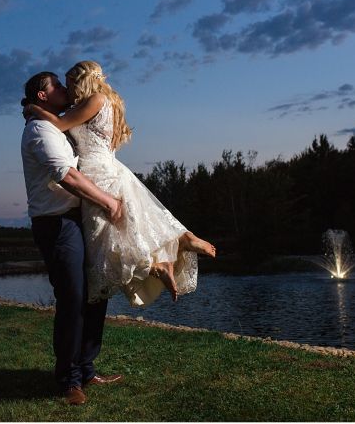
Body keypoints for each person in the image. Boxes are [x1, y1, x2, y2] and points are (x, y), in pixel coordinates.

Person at [23, 60, 217, 307]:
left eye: (68, 84)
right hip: (110, 170)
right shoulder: (104, 101)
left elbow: (59, 124)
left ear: (80, 82)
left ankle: (158, 263)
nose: (67, 91)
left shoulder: (94, 100)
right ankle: (172, 251)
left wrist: (33, 109)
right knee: (132, 229)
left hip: (96, 175)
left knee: (109, 241)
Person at [20, 71, 124, 405]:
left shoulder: (54, 125)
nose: (66, 89)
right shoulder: (39, 131)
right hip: (57, 224)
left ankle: (87, 368)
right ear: (43, 96)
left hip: (79, 219)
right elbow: (67, 176)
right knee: (73, 298)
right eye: (58, 86)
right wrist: (108, 201)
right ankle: (69, 380)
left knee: (96, 292)